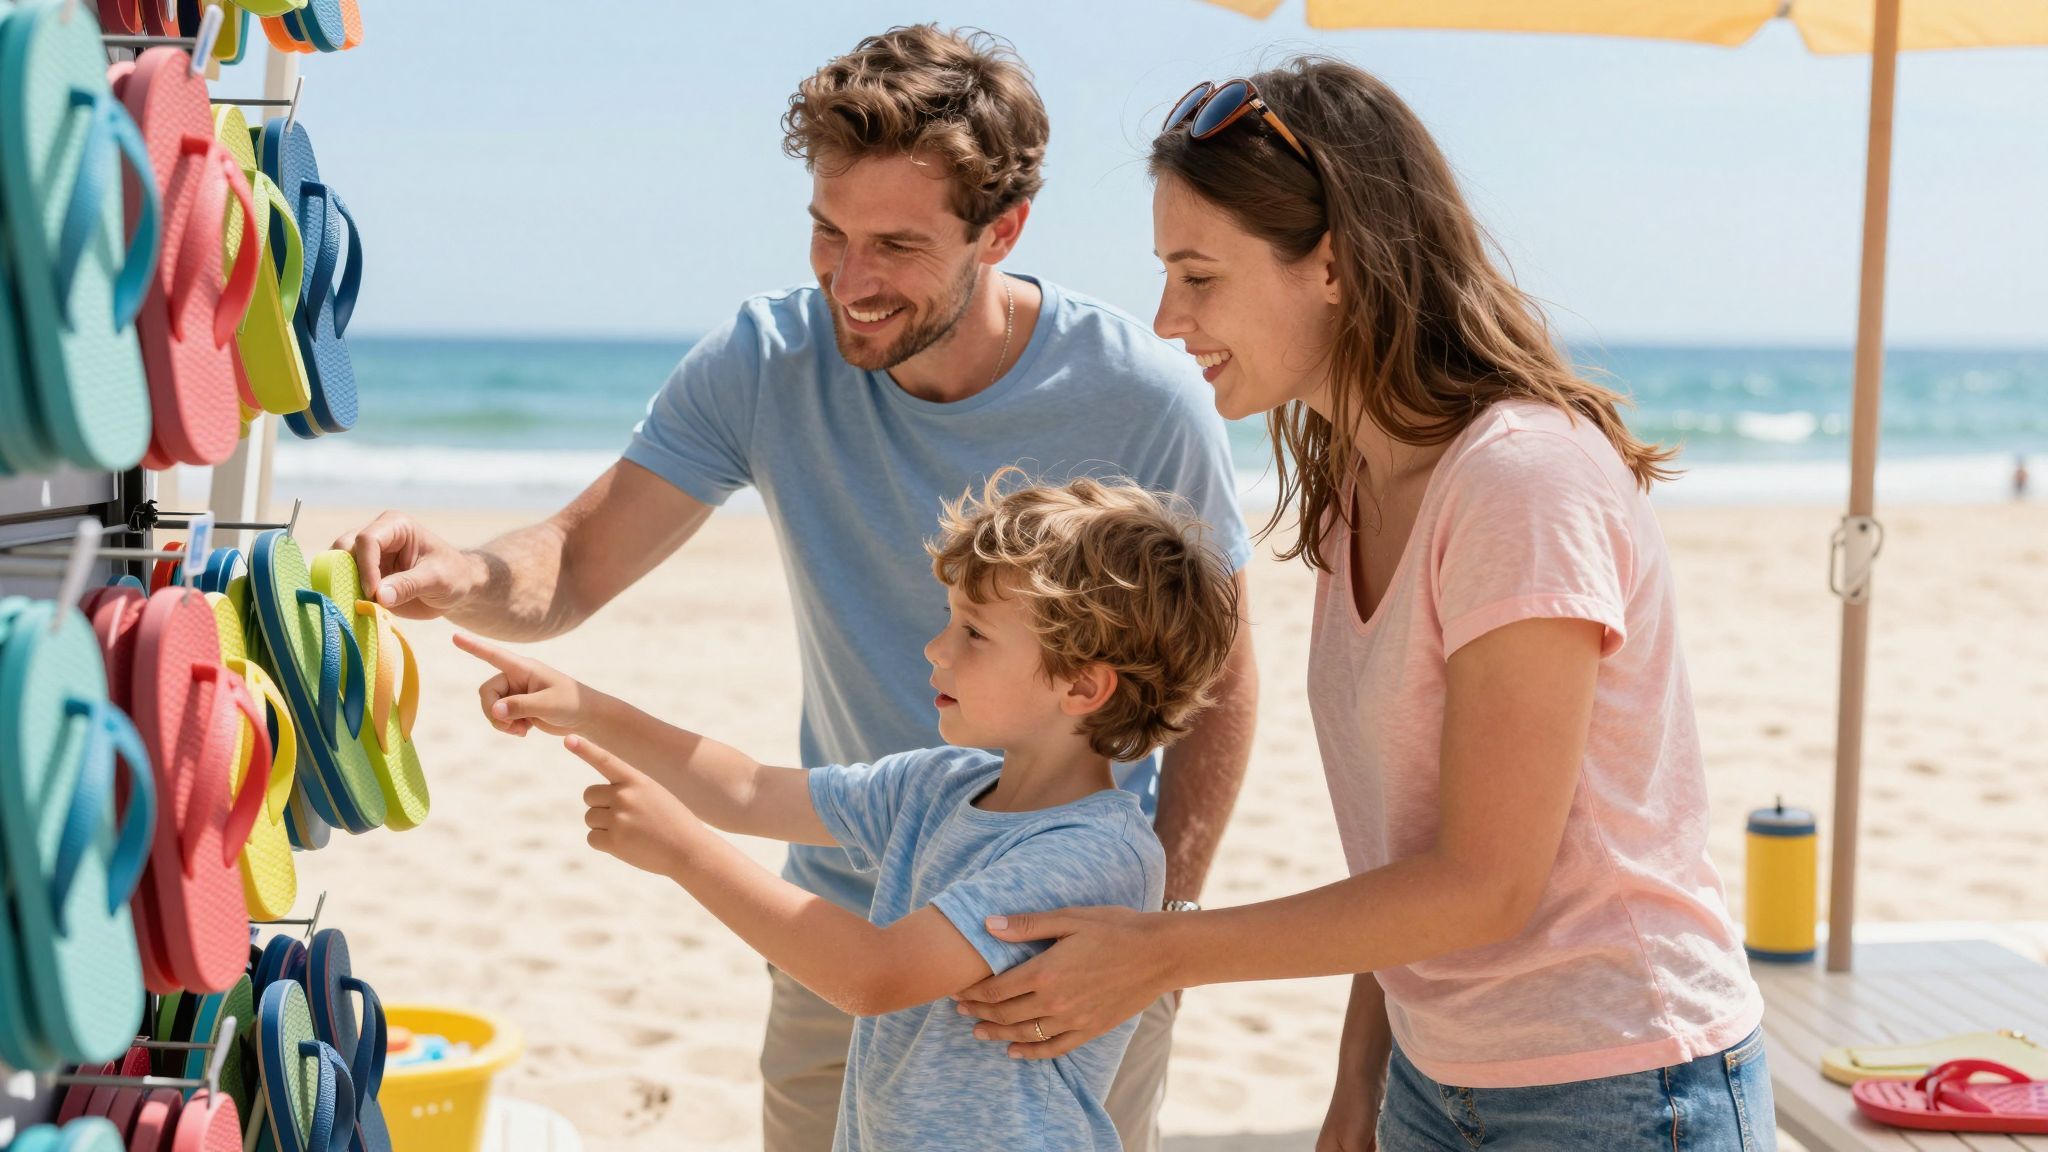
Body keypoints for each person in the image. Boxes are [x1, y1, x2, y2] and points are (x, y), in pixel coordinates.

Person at [333, 25, 1257, 1152]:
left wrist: (1159, 933)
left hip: (1070, 945)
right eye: (828, 231)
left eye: (898, 246)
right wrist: (460, 578)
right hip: (831, 909)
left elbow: (1218, 678)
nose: (850, 281)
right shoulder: (763, 361)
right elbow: (574, 563)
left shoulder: (1142, 399)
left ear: (1000, 231)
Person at [954, 60, 1777, 1151]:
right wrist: (1361, 1085)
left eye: (1197, 276)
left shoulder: (1518, 481)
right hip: (1440, 1083)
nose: (1166, 317)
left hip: (1620, 1089)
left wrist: (1162, 948)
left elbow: (1484, 885)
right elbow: (1408, 852)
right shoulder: (1356, 490)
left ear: (1331, 263)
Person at [455, 474, 1240, 1151]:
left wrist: (682, 853)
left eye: (973, 633)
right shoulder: (939, 786)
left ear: (1082, 687)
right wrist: (585, 706)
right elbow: (751, 791)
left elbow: (876, 974)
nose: (936, 650)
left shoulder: (1093, 853)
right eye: (947, 620)